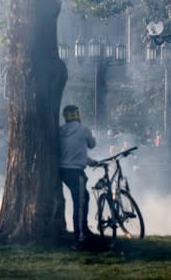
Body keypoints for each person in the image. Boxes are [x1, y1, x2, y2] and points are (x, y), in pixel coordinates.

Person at [59, 105, 96, 247]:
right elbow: (92, 145)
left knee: (84, 198)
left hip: (63, 170)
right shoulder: (83, 129)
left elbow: (71, 152)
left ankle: (84, 229)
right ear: (78, 115)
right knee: (80, 204)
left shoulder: (61, 130)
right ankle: (80, 237)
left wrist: (89, 161)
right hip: (76, 172)